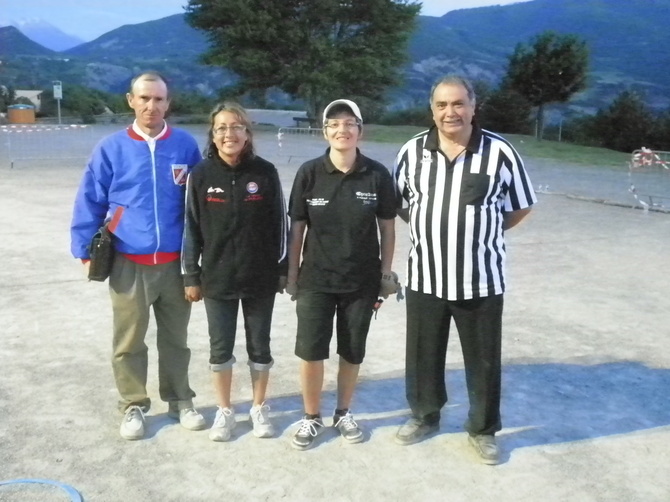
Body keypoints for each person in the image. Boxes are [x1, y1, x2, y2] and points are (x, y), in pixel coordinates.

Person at [392, 75, 536, 464]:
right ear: (432, 109)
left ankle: (483, 429)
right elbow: (401, 204)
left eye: (458, 104)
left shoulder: (500, 153)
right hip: (426, 275)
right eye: (442, 105)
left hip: (481, 278)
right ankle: (424, 415)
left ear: (473, 107)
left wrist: (483, 231)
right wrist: (433, 227)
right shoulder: (411, 152)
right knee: (423, 354)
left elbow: (521, 205)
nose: (449, 112)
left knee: (484, 359)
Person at [70, 71, 205, 440]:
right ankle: (133, 404)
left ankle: (180, 400)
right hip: (129, 262)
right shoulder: (111, 148)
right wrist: (84, 249)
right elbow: (91, 199)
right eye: (144, 98)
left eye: (159, 99)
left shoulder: (185, 146)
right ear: (131, 100)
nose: (152, 106)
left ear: (168, 103)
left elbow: (200, 205)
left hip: (177, 263)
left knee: (176, 340)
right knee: (129, 341)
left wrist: (204, 253)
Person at [286, 99, 399, 450]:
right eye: (334, 124)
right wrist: (292, 276)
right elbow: (297, 231)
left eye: (350, 123)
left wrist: (384, 275)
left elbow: (388, 230)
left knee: (352, 351)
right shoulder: (309, 172)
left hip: (361, 282)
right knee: (311, 351)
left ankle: (343, 411)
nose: (342, 130)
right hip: (316, 280)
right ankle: (311, 417)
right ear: (325, 131)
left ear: (360, 130)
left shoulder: (377, 174)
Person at [181, 102, 288, 442]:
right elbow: (191, 228)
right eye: (221, 128)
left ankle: (258, 407)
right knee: (220, 348)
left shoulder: (265, 172)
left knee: (260, 346)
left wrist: (282, 270)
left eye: (236, 126)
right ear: (213, 135)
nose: (229, 133)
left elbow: (279, 226)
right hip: (217, 278)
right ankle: (225, 411)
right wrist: (190, 275)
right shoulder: (200, 175)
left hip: (260, 278)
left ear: (247, 132)